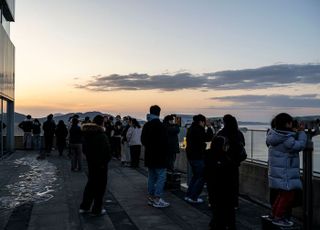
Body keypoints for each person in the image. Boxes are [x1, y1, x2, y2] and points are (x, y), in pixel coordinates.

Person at [205, 114, 246, 230]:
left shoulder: (220, 134)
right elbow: (242, 152)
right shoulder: (238, 134)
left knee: (218, 198)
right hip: (232, 168)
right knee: (230, 195)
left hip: (219, 169)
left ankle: (217, 221)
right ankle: (231, 220)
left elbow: (213, 150)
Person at [266, 113, 306, 227]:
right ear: (287, 124)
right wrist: (302, 132)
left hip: (279, 172)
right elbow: (300, 145)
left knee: (281, 195)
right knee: (288, 196)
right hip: (285, 173)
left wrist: (294, 132)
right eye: (290, 122)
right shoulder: (286, 139)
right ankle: (278, 217)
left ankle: (274, 214)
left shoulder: (274, 135)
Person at [79, 115, 111, 216]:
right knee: (100, 187)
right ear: (102, 123)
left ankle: (84, 207)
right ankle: (97, 209)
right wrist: (104, 162)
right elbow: (107, 152)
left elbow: (84, 150)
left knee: (91, 185)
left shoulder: (87, 134)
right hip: (101, 165)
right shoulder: (101, 135)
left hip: (91, 163)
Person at [141, 105, 170, 208]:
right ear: (159, 113)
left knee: (151, 177)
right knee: (161, 176)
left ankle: (151, 198)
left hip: (149, 155)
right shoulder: (161, 126)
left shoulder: (146, 125)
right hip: (160, 156)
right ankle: (157, 199)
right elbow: (166, 143)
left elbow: (143, 141)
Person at [185, 114, 213, 203]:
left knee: (195, 176)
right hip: (197, 156)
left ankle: (189, 195)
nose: (205, 123)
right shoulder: (199, 129)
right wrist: (209, 127)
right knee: (201, 177)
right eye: (204, 122)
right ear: (201, 122)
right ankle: (194, 197)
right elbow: (208, 138)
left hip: (191, 156)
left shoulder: (191, 128)